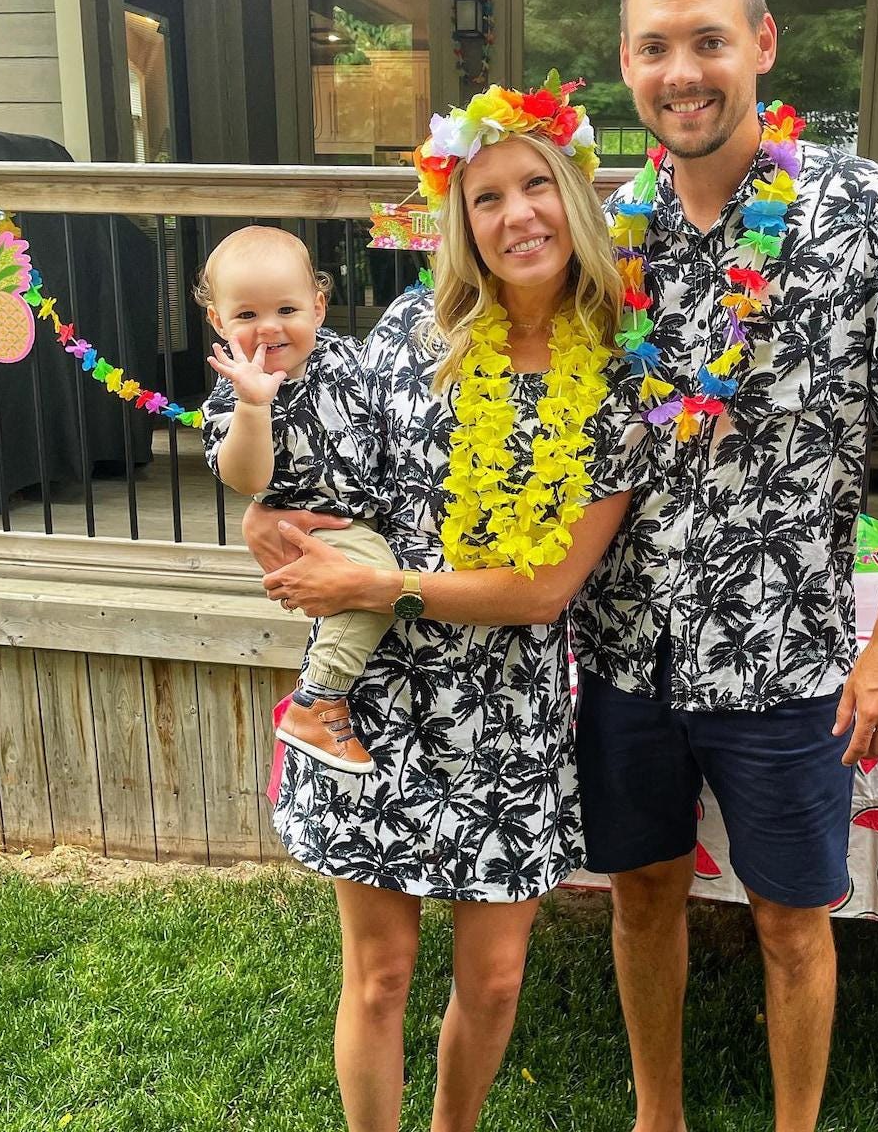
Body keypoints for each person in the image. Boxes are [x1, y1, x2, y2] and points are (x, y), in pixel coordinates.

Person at [570, 0, 878, 1131]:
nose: (682, 71)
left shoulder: (858, 209)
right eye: (654, 47)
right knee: (642, 895)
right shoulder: (603, 235)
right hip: (628, 647)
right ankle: (659, 1117)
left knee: (794, 918)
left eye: (708, 41)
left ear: (763, 46)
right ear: (626, 64)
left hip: (789, 653)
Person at [238, 77, 646, 1132]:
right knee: (379, 977)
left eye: (536, 187)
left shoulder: (621, 381)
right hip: (369, 699)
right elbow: (332, 452)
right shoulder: (418, 326)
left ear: (575, 194)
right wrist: (271, 513)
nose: (516, 216)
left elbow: (549, 587)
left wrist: (378, 583)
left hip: (504, 707)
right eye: (486, 197)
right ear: (460, 220)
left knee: (497, 979)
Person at [198, 226, 396, 773]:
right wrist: (254, 407)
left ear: (319, 304)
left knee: (371, 582)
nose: (268, 327)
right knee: (374, 577)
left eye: (287, 307)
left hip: (366, 514)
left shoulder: (347, 357)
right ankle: (317, 700)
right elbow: (245, 477)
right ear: (218, 320)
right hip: (316, 528)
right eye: (245, 316)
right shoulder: (235, 393)